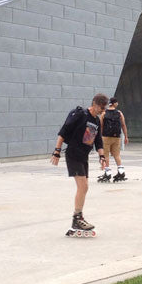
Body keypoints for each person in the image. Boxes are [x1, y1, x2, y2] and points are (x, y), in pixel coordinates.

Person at [51, 94, 107, 236]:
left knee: (84, 187)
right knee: (83, 186)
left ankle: (78, 217)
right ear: (95, 104)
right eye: (102, 107)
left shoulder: (96, 120)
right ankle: (77, 218)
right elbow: (64, 131)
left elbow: (98, 140)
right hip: (73, 154)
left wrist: (102, 156)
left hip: (84, 156)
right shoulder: (80, 114)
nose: (103, 110)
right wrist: (57, 151)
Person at [97, 96, 129, 183]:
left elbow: (101, 126)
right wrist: (126, 136)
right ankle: (121, 171)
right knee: (117, 154)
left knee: (106, 155)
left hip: (106, 137)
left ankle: (107, 173)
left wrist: (99, 137)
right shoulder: (119, 113)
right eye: (117, 102)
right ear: (114, 103)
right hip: (117, 137)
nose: (117, 104)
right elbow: (123, 125)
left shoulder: (104, 113)